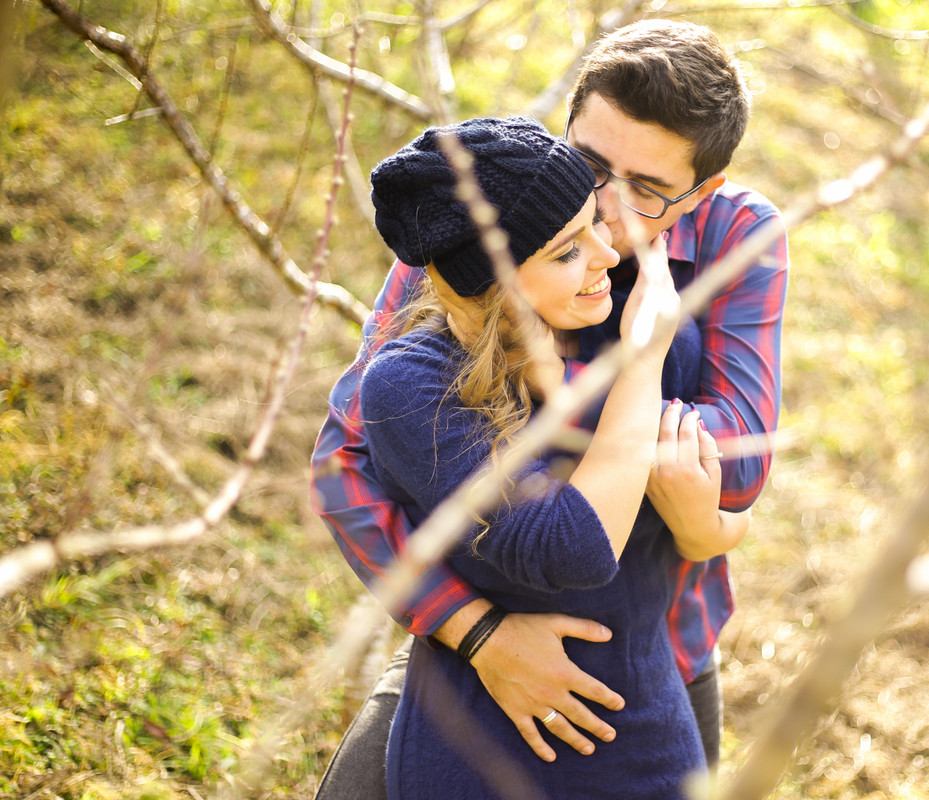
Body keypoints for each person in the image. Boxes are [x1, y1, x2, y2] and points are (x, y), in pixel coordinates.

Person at [311, 18, 789, 798]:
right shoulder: (491, 205)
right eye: (591, 164)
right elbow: (344, 466)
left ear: (700, 195)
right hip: (473, 625)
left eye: (646, 190)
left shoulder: (739, 232)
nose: (603, 205)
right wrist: (482, 635)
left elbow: (736, 465)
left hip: (659, 647)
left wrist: (706, 515)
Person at [360, 115, 731, 800]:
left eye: (595, 226)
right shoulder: (411, 384)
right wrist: (640, 365)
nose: (608, 256)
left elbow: (731, 492)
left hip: (650, 741)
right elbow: (571, 550)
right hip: (481, 750)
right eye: (567, 252)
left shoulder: (648, 334)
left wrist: (707, 525)